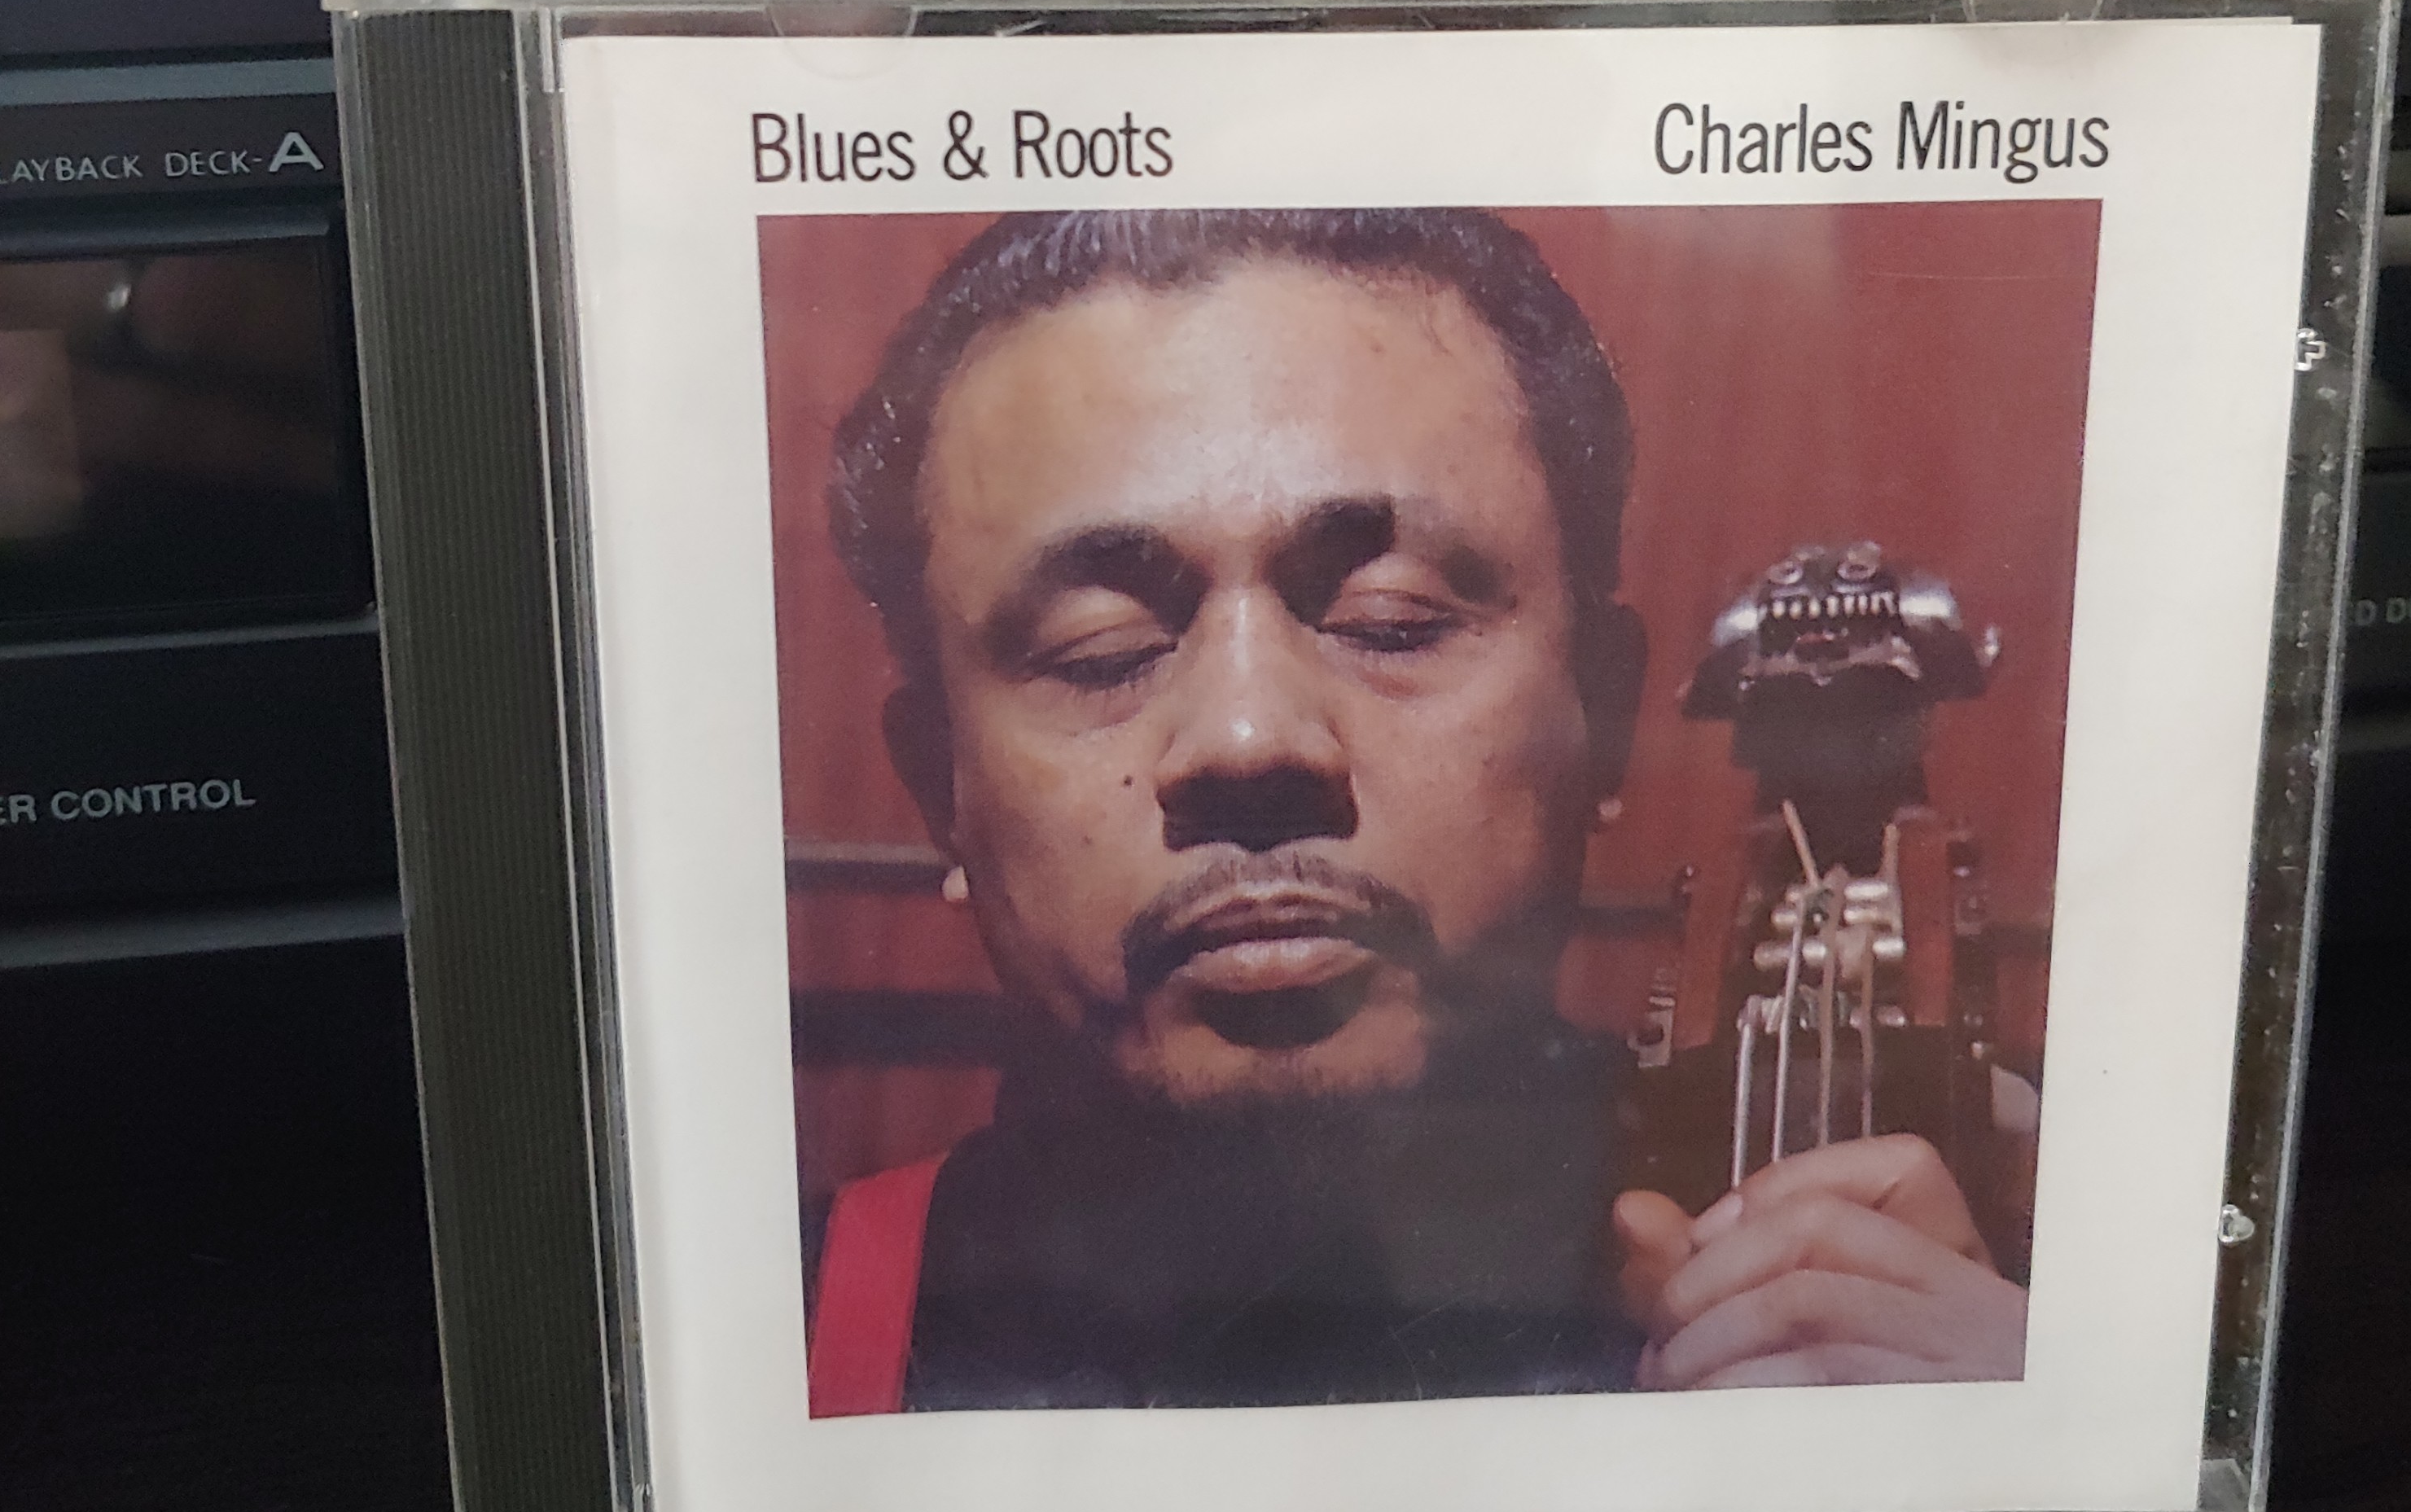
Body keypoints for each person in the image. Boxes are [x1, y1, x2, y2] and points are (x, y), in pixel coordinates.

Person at [808, 208, 2028, 1415]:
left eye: (1390, 623)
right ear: (937, 786)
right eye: (1101, 651)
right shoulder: (766, 1360)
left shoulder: (2020, 1294)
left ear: (1602, 717)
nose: (1251, 739)